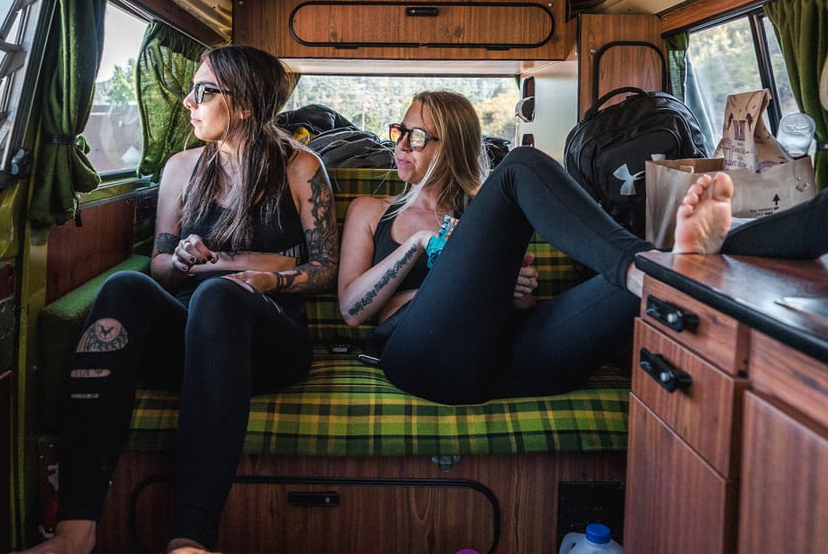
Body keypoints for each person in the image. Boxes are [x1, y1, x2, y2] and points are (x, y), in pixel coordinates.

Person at [0, 45, 339, 554]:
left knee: (219, 297)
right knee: (126, 286)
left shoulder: (300, 168)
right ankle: (73, 536)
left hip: (269, 337)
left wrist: (265, 275)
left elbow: (323, 269)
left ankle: (189, 538)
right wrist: (178, 261)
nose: (188, 101)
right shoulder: (181, 168)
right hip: (195, 330)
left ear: (243, 103)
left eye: (203, 92)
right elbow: (159, 262)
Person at [339, 90, 827, 405]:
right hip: (427, 361)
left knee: (677, 269)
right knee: (525, 169)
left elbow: (524, 303)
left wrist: (508, 291)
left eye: (417, 135)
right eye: (399, 131)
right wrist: (423, 246)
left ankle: (800, 225)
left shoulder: (484, 214)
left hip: (511, 360)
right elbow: (353, 311)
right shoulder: (371, 210)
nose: (401, 144)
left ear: (453, 145)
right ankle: (637, 263)